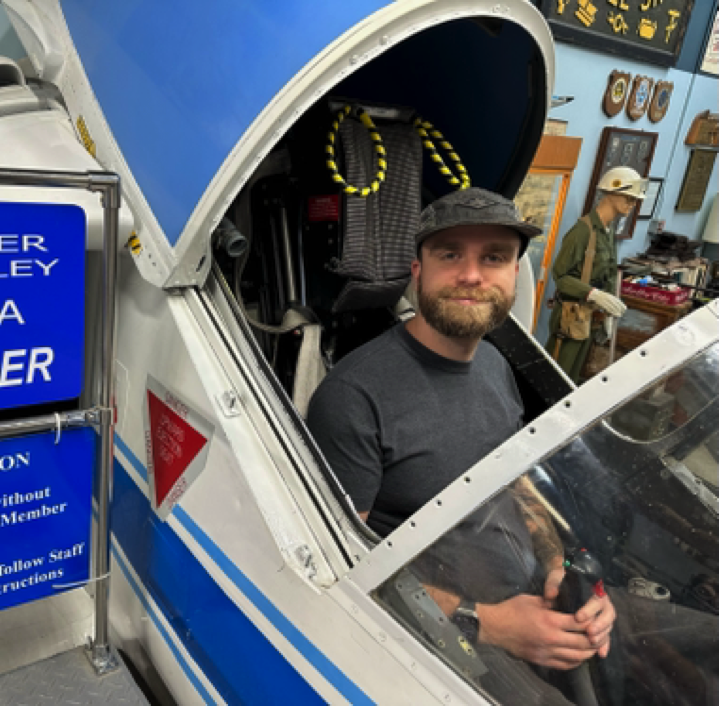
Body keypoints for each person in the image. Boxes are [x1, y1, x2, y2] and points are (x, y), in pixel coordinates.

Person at [307, 187, 716, 704]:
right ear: (417, 271)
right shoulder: (353, 396)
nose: (472, 275)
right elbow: (338, 570)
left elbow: (519, 488)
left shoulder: (496, 366)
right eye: (450, 254)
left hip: (536, 596)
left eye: (494, 258)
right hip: (452, 627)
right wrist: (489, 624)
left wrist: (561, 573)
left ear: (513, 276)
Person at [548, 167, 646, 382]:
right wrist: (594, 294)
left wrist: (608, 313)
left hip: (589, 315)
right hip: (570, 315)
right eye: (628, 198)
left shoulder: (608, 231)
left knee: (573, 378)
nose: (632, 204)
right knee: (556, 377)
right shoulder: (582, 231)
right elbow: (560, 276)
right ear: (611, 193)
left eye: (634, 200)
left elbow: (610, 273)